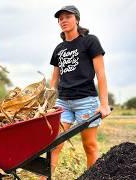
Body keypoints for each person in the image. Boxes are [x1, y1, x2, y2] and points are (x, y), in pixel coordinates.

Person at [42, 5, 111, 179]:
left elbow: (101, 75)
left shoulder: (90, 41)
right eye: (60, 18)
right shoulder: (59, 48)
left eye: (67, 17)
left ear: (77, 19)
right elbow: (54, 80)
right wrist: (47, 104)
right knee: (54, 146)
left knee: (89, 146)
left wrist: (104, 105)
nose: (63, 20)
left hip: (86, 101)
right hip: (63, 103)